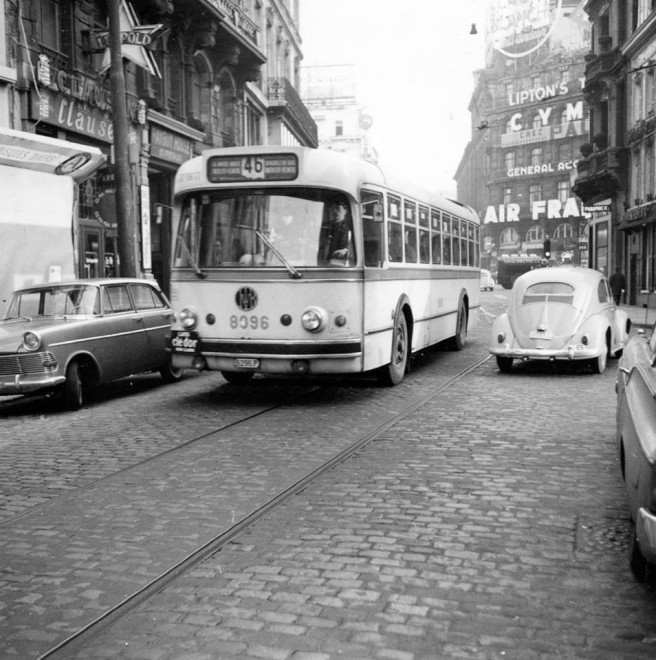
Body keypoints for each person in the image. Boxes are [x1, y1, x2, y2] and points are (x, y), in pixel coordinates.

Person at [319, 198, 354, 263]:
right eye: (332, 208)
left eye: (338, 208)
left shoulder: (351, 228)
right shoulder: (326, 227)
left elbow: (352, 249)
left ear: (345, 211)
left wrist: (345, 250)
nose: (334, 211)